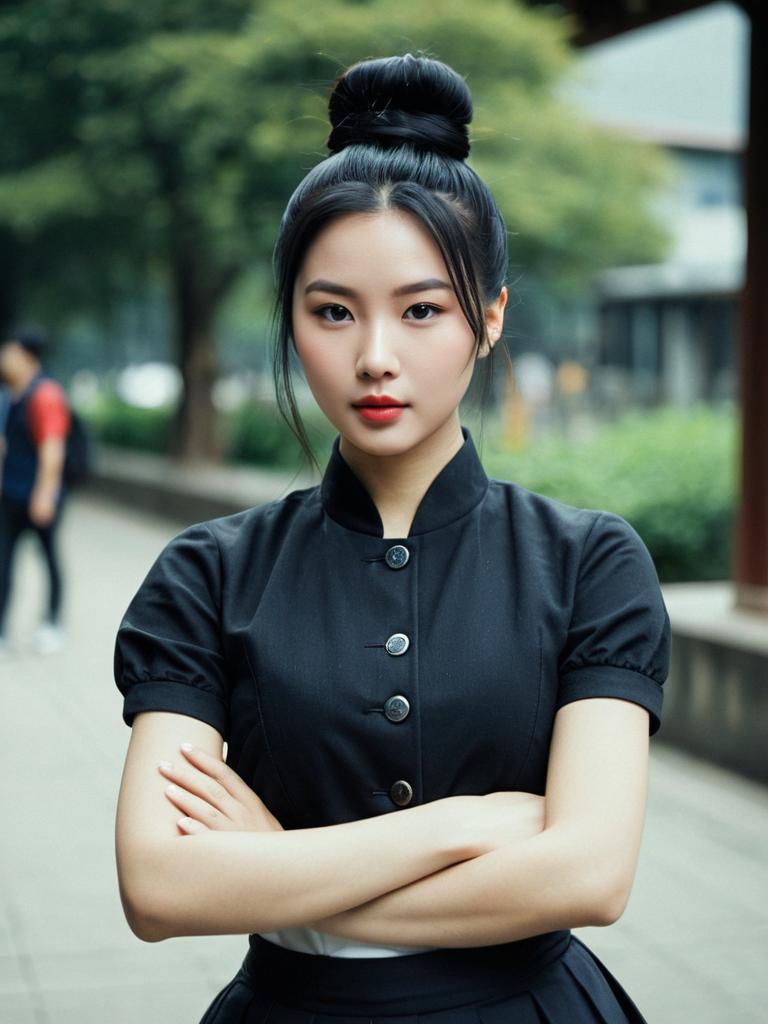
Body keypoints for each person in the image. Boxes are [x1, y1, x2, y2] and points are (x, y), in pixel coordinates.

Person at [113, 54, 671, 1024]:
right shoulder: (208, 572)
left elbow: (589, 875)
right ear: (291, 320)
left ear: (489, 318)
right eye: (333, 311)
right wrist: (461, 827)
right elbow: (159, 889)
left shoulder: (590, 561)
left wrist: (276, 868)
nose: (375, 356)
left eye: (422, 310)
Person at [0, 325, 71, 656]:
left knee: (49, 558)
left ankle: (52, 624)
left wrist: (45, 494)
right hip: (12, 494)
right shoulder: (15, 393)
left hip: (37, 495)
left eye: (9, 350)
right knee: (4, 561)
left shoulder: (46, 394)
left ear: (26, 355)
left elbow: (52, 448)